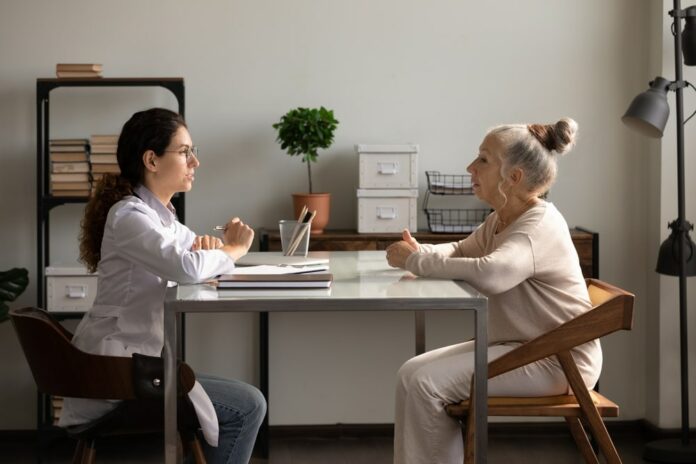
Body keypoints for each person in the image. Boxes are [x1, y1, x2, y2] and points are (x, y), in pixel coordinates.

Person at [386, 118, 600, 464]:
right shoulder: (501, 219)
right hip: (522, 347)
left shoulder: (538, 226)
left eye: (483, 159)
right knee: (411, 372)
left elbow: (492, 273)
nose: (471, 167)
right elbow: (459, 250)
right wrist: (421, 253)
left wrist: (416, 263)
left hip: (557, 361)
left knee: (426, 383)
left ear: (513, 177)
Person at [58, 108, 266, 464]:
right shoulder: (130, 216)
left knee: (245, 401)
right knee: (248, 405)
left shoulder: (161, 218)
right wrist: (233, 248)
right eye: (185, 152)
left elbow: (192, 258)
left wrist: (212, 252)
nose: (195, 161)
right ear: (151, 160)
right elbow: (186, 267)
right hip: (115, 373)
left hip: (136, 365)